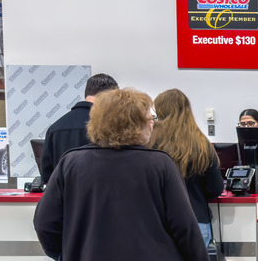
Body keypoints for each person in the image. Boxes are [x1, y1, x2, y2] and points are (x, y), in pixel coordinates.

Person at [33, 88, 208, 261]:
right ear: (134, 124)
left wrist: (70, 252)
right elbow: (185, 229)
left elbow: (45, 224)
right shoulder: (160, 164)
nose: (153, 123)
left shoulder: (70, 163)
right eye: (150, 118)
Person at [148, 89, 224, 248]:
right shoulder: (201, 143)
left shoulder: (150, 141)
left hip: (158, 220)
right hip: (196, 219)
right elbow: (216, 188)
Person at [39, 73, 118, 183]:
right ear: (109, 96)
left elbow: (47, 175)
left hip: (65, 197)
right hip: (97, 196)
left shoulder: (55, 128)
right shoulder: (109, 126)